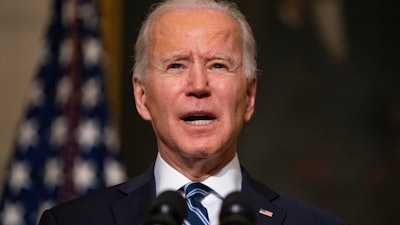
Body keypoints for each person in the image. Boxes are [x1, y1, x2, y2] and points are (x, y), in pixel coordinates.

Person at [38, 0, 350, 224]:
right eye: (176, 65)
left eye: (218, 65)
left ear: (250, 95)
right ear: (142, 96)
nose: (199, 85)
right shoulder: (72, 221)